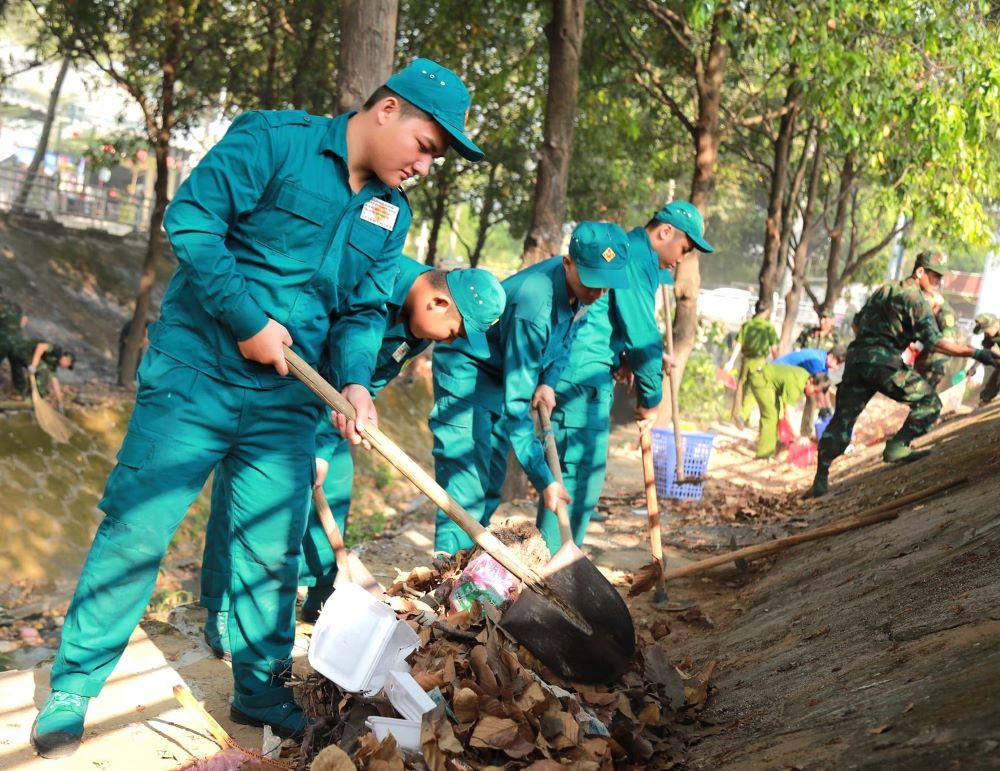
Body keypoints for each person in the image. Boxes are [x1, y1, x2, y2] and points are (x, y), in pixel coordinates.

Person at [31, 57, 483, 758]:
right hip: (197, 373)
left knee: (269, 549)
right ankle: (75, 684)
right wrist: (246, 318)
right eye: (427, 145)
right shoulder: (276, 141)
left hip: (284, 397)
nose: (426, 165)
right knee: (137, 531)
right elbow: (192, 222)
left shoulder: (392, 212)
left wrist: (357, 381)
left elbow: (363, 307)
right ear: (389, 109)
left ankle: (261, 686)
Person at [200, 259, 505, 653]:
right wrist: (313, 442)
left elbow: (373, 376)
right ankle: (221, 604)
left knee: (336, 480)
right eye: (457, 329)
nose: (453, 339)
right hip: (273, 379)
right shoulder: (372, 276)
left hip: (327, 400)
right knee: (249, 491)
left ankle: (323, 591)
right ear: (439, 302)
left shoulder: (420, 331)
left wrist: (343, 426)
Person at [429, 221, 631, 555]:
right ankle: (443, 585)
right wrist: (545, 481)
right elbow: (516, 410)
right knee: (468, 484)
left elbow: (566, 342)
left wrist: (548, 383)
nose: (599, 293)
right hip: (469, 367)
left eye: (606, 285)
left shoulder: (580, 293)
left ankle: (463, 575)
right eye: (593, 281)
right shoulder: (535, 307)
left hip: (501, 368)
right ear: (568, 263)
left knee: (491, 482)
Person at [536, 201, 713, 553]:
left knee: (582, 478)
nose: (681, 259)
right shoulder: (632, 257)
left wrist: (628, 357)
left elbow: (623, 327)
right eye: (684, 248)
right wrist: (652, 401)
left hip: (587, 371)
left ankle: (559, 566)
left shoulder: (636, 255)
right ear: (665, 232)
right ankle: (549, 573)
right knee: (575, 478)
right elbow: (642, 334)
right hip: (580, 376)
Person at [809, 251, 1000, 497]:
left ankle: (821, 475)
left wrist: (874, 341)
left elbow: (857, 322)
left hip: (857, 360)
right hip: (884, 363)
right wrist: (978, 354)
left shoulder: (885, 289)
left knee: (842, 421)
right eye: (934, 277)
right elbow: (937, 343)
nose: (937, 283)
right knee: (929, 403)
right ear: (919, 272)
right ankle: (898, 446)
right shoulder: (916, 300)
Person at [749, 361, 830, 458]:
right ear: (811, 380)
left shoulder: (804, 378)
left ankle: (768, 444)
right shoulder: (796, 384)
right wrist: (796, 436)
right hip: (761, 379)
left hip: (768, 382)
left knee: (775, 413)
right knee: (771, 416)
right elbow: (788, 414)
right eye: (815, 391)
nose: (814, 394)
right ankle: (764, 454)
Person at [774, 344, 846, 437]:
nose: (836, 368)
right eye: (837, 363)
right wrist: (823, 408)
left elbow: (824, 388)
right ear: (831, 357)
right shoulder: (817, 362)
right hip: (780, 373)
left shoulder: (824, 361)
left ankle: (804, 432)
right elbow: (818, 388)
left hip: (792, 376)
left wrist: (828, 408)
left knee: (814, 398)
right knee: (812, 398)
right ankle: (804, 434)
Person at [731, 311, 780, 426]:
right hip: (759, 362)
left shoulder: (747, 325)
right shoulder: (768, 327)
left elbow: (737, 344)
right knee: (754, 390)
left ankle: (740, 418)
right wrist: (778, 363)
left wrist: (731, 361)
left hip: (745, 361)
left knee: (742, 387)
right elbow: (774, 349)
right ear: (766, 311)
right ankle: (742, 416)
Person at [14, 339, 76, 412]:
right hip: (23, 351)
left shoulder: (53, 365)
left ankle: (28, 399)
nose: (65, 368)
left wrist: (60, 403)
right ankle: (30, 400)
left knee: (44, 371)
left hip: (23, 357)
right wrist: (34, 365)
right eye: (68, 366)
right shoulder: (57, 351)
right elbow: (41, 347)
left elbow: (55, 382)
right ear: (67, 360)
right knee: (44, 371)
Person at [0, 289, 28, 394]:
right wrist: (15, 330)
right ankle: (21, 393)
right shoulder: (14, 305)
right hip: (18, 341)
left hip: (3, 341)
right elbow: (24, 319)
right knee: (17, 367)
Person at [973, 312, 999, 406]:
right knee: (993, 379)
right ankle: (985, 400)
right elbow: (985, 352)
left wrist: (994, 350)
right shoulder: (989, 335)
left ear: (995, 325)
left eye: (986, 330)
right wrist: (974, 367)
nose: (986, 334)